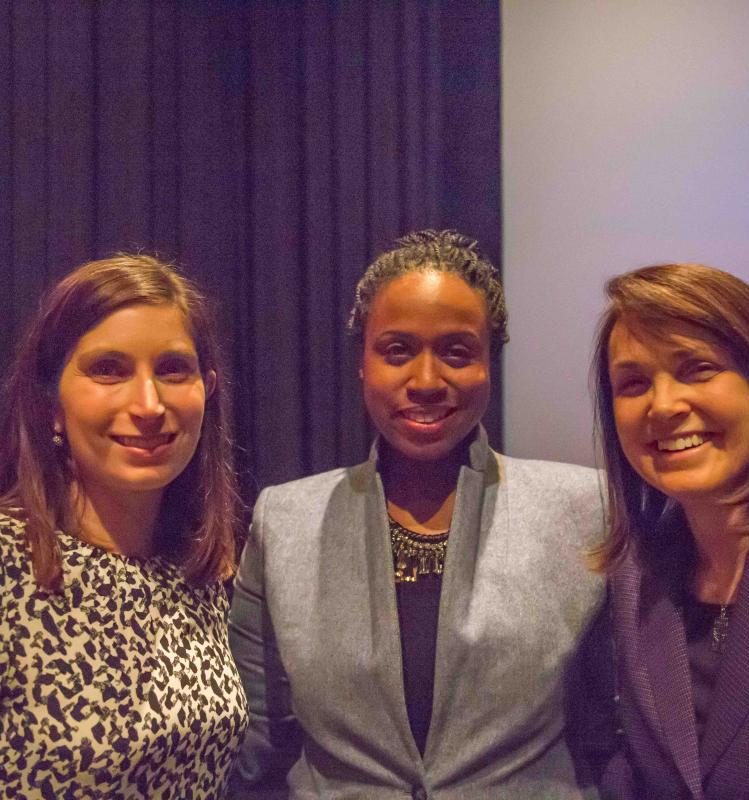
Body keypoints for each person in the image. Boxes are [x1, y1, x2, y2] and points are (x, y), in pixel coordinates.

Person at [229, 230, 605, 799]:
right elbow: (253, 735)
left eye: (456, 352)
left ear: (488, 363)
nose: (426, 382)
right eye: (397, 350)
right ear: (363, 363)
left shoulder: (584, 509)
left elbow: (612, 728)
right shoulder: (285, 520)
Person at [0, 254, 248, 798]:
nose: (149, 404)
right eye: (108, 369)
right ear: (50, 403)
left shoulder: (199, 575)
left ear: (207, 389)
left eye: (172, 369)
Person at [578, 263, 749, 799]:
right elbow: (610, 760)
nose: (664, 406)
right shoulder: (633, 581)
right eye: (633, 384)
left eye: (697, 368)